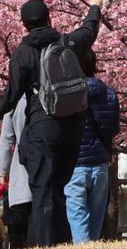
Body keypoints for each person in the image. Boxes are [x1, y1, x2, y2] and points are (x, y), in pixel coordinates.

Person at [0, 0, 106, 246]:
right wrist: (94, 7)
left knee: (43, 191)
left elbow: (11, 96)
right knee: (59, 190)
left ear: (24, 24)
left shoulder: (22, 54)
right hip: (73, 125)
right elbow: (89, 30)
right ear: (49, 18)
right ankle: (62, 242)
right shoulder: (68, 43)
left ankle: (44, 244)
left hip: (42, 128)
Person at [64, 50, 120, 243]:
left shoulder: (68, 94)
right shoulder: (110, 94)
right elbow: (113, 128)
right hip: (100, 163)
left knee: (78, 220)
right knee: (96, 222)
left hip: (75, 163)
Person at [0, 96, 31, 248]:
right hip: (50, 164)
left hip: (21, 168)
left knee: (19, 230)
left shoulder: (15, 101)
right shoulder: (51, 92)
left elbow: (6, 139)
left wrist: (2, 170)